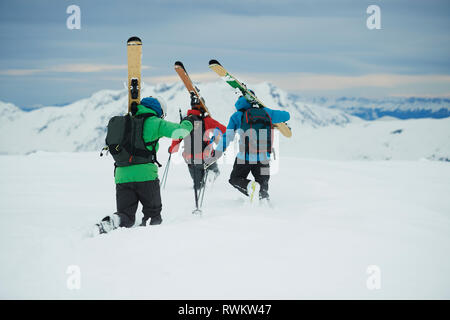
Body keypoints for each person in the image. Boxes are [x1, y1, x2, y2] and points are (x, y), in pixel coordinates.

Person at [96, 96, 194, 234]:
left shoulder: (126, 121)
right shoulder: (155, 122)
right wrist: (188, 122)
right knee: (153, 215)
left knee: (126, 217)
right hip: (146, 177)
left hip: (122, 176)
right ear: (158, 111)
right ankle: (149, 243)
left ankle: (112, 221)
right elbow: (180, 132)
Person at [211, 94, 290, 202]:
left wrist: (217, 152)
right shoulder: (267, 112)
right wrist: (265, 111)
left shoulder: (237, 116)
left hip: (245, 157)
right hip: (264, 158)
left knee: (235, 179)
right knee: (263, 188)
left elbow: (227, 137)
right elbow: (287, 116)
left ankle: (250, 187)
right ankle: (265, 207)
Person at [168, 96, 226, 191]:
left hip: (190, 159)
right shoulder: (206, 120)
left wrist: (172, 149)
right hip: (205, 157)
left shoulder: (185, 121)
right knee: (215, 171)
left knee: (198, 186)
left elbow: (177, 138)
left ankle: (200, 185)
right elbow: (224, 130)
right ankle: (211, 174)